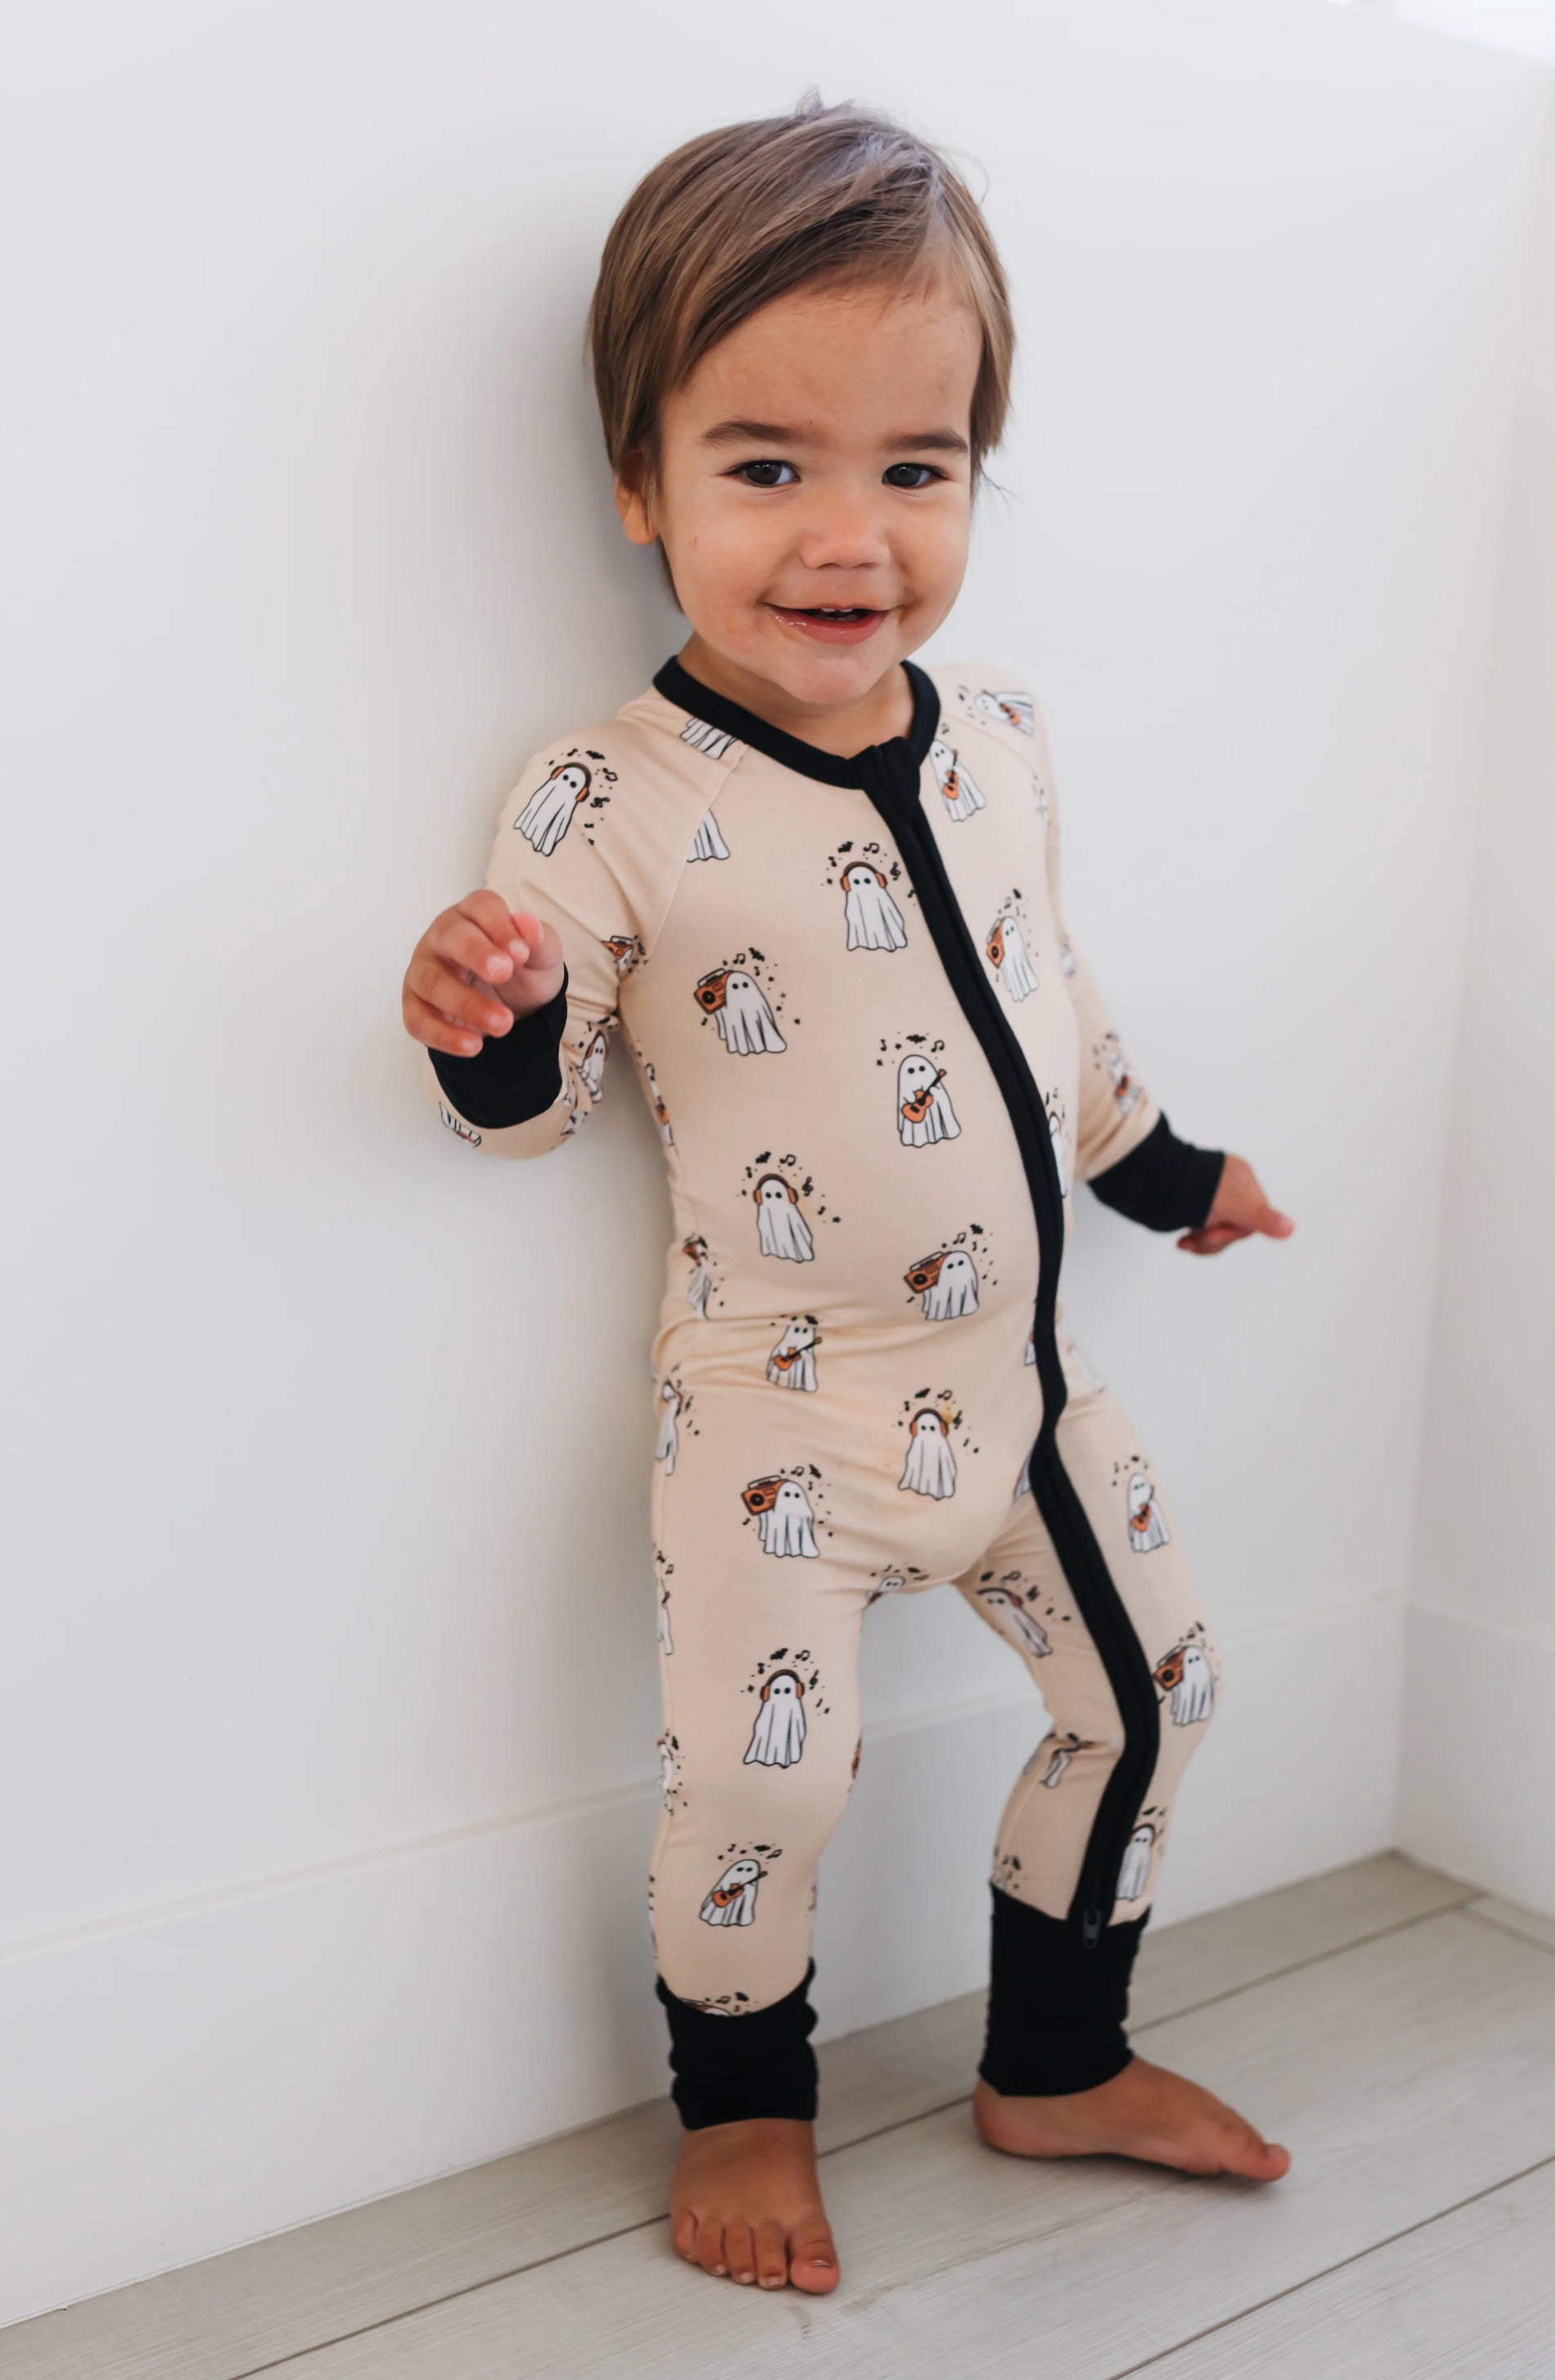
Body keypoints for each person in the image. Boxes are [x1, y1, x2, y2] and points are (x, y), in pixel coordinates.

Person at [400, 93, 1297, 2300]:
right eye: (764, 467)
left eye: (916, 467)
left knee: (1159, 1691)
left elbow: (1046, 995)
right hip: (784, 1407)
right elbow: (529, 1116)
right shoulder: (608, 797)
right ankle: (745, 2106)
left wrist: (1167, 1167)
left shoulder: (1001, 735)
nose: (848, 537)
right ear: (641, 482)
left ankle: (1058, 2060)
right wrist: (486, 1021)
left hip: (1025, 1385)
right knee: (760, 1786)